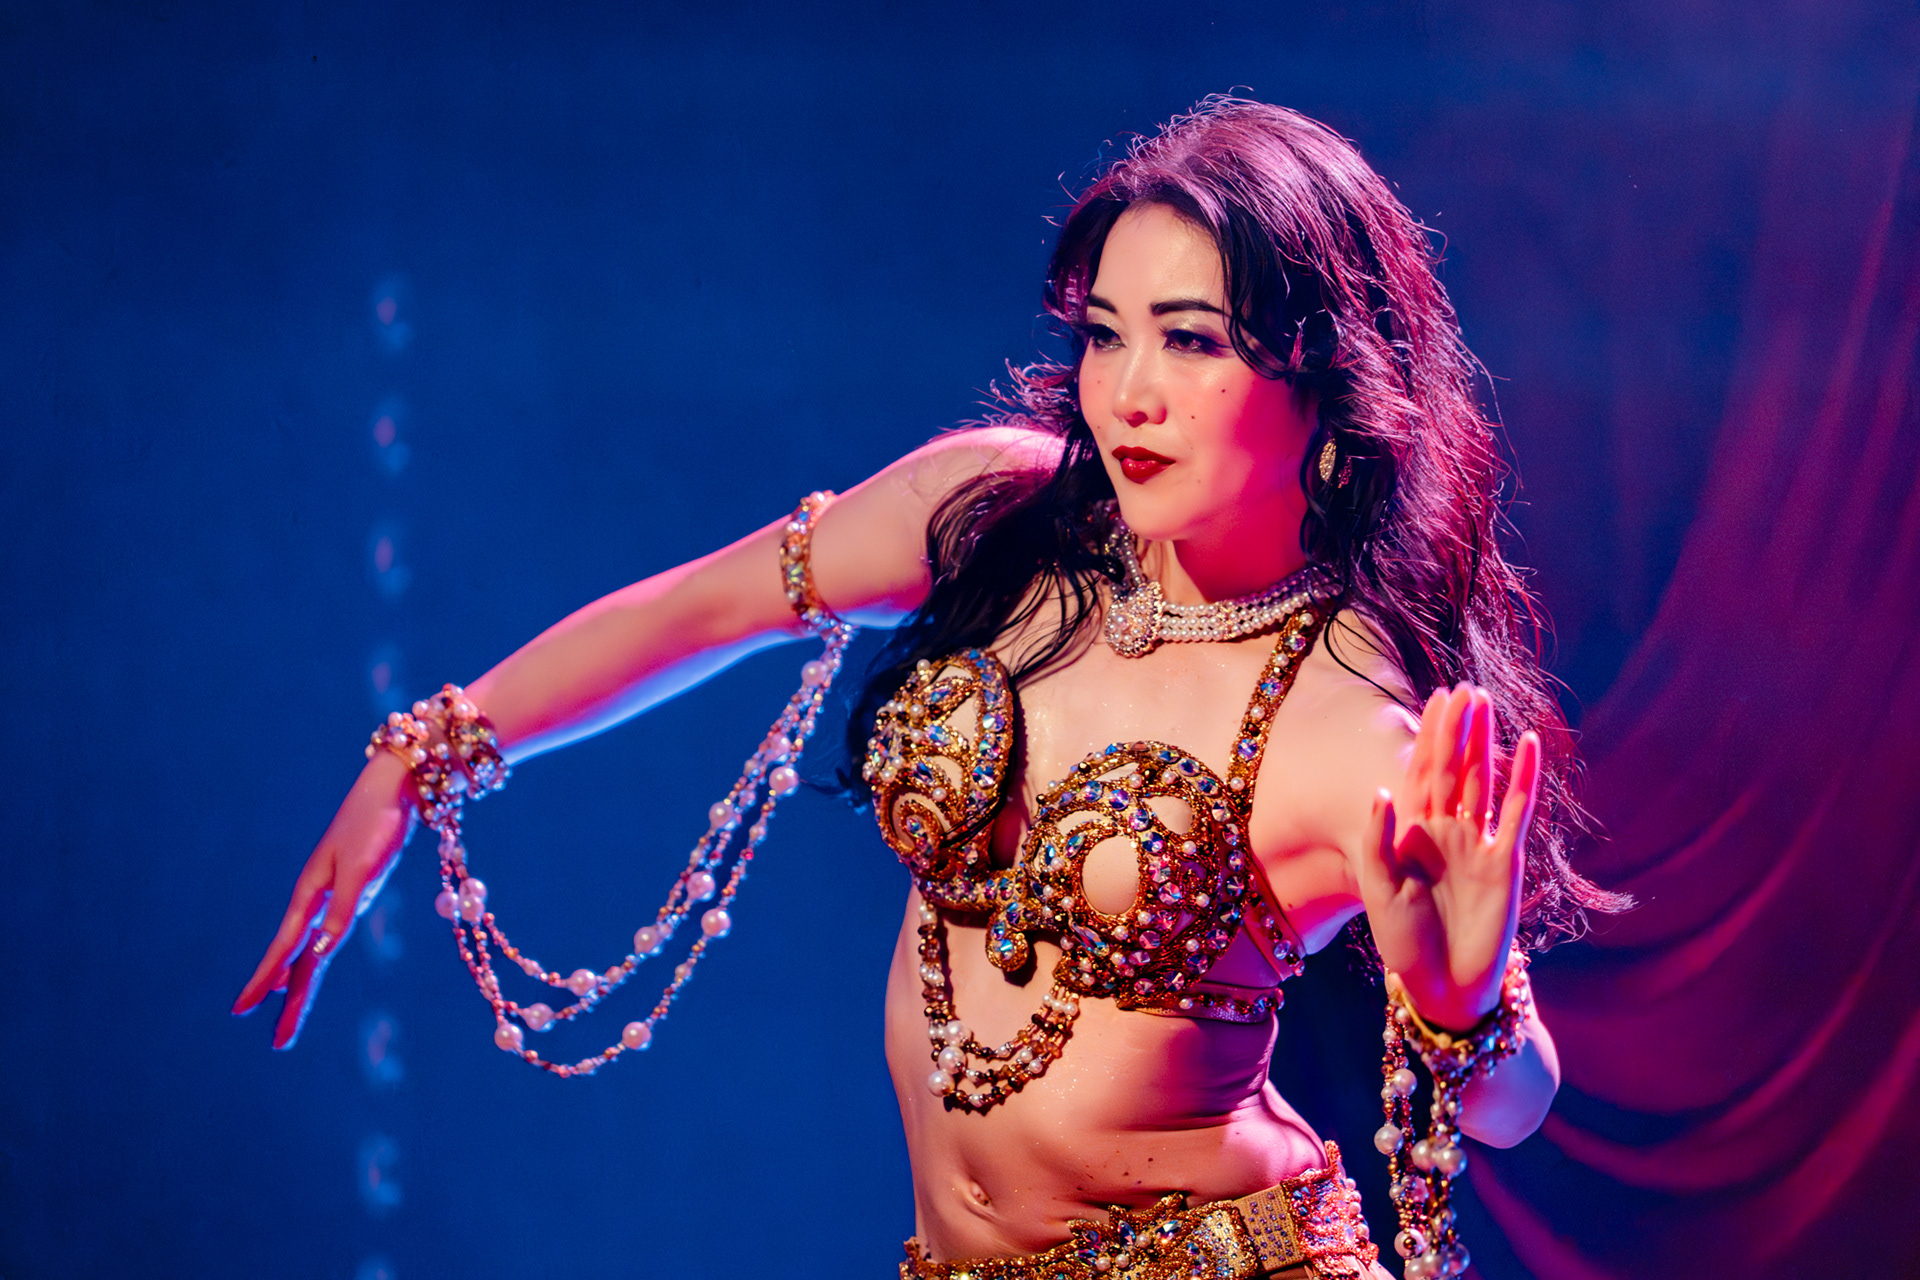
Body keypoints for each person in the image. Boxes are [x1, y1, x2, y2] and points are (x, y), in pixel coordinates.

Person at [234, 99, 1619, 1280]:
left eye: (1192, 341)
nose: (1129, 393)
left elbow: (1515, 1105)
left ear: (1325, 376)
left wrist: (1460, 1000)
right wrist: (425, 754)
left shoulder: (1342, 718)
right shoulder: (999, 515)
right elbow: (700, 607)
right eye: (1107, 334)